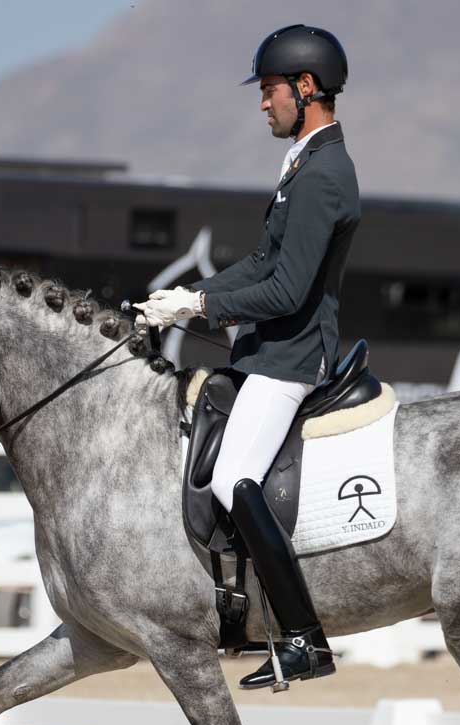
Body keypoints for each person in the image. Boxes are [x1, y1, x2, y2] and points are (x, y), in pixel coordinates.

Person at [134, 24, 360, 690]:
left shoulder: (324, 174)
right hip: (268, 349)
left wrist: (202, 312)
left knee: (235, 476)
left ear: (307, 87)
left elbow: (289, 288)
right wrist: (186, 295)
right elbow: (262, 262)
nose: (263, 104)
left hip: (291, 357)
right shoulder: (301, 164)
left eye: (270, 91)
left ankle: (302, 638)